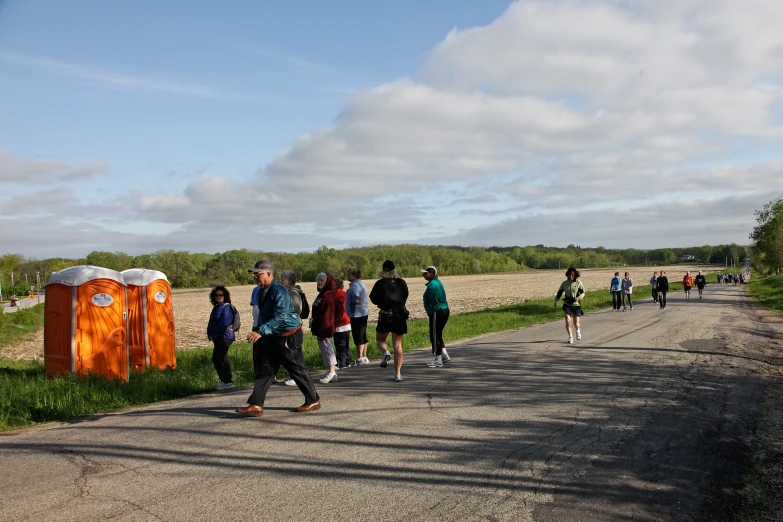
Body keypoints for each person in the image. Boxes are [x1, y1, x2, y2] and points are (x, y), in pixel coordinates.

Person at [236, 260, 320, 417]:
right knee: (265, 370)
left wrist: (261, 331)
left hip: (289, 335)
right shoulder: (262, 290)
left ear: (269, 274)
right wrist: (262, 331)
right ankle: (256, 405)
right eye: (254, 274)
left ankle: (313, 399)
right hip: (273, 335)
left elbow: (280, 316)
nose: (255, 276)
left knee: (296, 369)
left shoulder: (279, 290)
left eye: (258, 273)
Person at [369, 260, 409, 382]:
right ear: (394, 270)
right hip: (400, 315)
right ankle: (397, 374)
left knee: (380, 339)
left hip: (385, 315)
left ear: (383, 270)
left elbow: (373, 299)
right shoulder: (401, 282)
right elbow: (406, 295)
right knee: (398, 345)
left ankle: (386, 352)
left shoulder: (380, 283)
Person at [280, 269, 307, 386]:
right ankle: (294, 376)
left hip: (293, 328)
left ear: (286, 280)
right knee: (293, 353)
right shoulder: (292, 291)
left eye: (281, 279)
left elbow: (295, 309)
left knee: (295, 354)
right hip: (293, 327)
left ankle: (297, 377)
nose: (280, 282)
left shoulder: (292, 293)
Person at [311, 272, 339, 384]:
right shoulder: (322, 294)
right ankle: (331, 372)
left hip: (325, 328)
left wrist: (324, 329)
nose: (319, 282)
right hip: (320, 327)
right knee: (325, 350)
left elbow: (328, 313)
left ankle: (332, 372)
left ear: (327, 281)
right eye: (318, 280)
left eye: (322, 280)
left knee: (328, 350)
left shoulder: (329, 295)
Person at [206, 286, 236, 390]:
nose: (218, 297)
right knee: (222, 358)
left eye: (220, 295)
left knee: (218, 358)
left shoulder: (226, 307)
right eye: (216, 295)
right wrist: (209, 334)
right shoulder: (216, 307)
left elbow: (224, 323)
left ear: (225, 296)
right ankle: (225, 381)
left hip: (225, 336)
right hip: (218, 337)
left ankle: (227, 381)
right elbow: (211, 323)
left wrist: (214, 334)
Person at [422, 266, 451, 367]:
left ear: (431, 273)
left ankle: (438, 359)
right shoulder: (435, 283)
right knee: (437, 334)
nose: (423, 275)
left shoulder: (433, 285)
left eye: (425, 273)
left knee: (434, 335)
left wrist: (431, 309)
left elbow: (434, 299)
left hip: (437, 311)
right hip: (441, 310)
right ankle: (444, 355)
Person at [554, 267, 585, 344]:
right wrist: (556, 300)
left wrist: (578, 297)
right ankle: (570, 337)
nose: (571, 276)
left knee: (576, 323)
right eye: (569, 275)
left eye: (572, 275)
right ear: (567, 275)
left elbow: (583, 292)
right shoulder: (564, 283)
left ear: (574, 275)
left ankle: (578, 330)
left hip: (576, 304)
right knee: (568, 321)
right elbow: (560, 292)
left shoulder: (578, 282)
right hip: (567, 304)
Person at [345, 267, 369, 365]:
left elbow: (356, 297)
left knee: (358, 336)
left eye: (349, 274)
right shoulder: (361, 283)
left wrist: (353, 306)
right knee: (363, 335)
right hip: (363, 313)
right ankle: (364, 356)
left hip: (356, 314)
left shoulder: (354, 286)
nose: (347, 276)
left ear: (354, 275)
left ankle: (359, 358)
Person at [334, 277, 353, 369]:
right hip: (347, 320)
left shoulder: (336, 294)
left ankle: (341, 363)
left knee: (340, 344)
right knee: (346, 344)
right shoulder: (344, 293)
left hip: (339, 322)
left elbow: (339, 306)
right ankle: (348, 361)